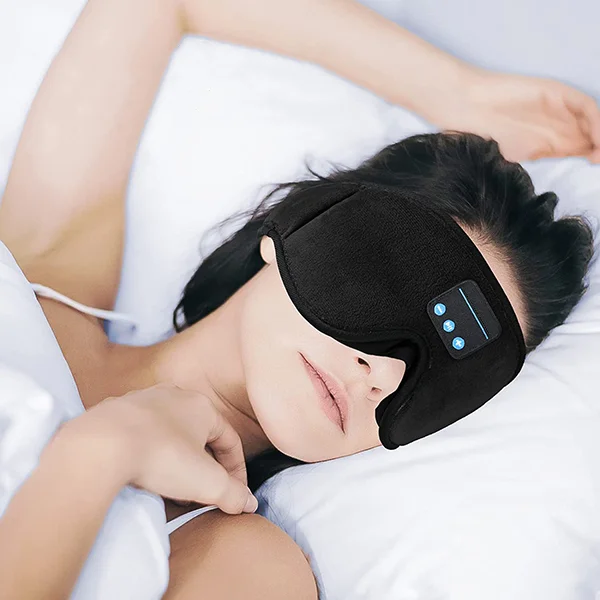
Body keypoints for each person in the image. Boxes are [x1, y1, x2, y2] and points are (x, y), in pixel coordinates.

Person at [0, 0, 596, 598]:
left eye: (448, 372)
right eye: (391, 282)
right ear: (301, 223)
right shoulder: (44, 275)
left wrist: (101, 455)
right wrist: (455, 91)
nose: (383, 373)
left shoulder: (241, 566)